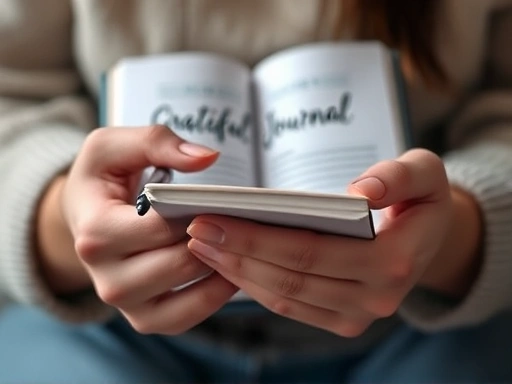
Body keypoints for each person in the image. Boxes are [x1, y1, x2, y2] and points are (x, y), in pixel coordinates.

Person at [1, 0, 512, 382]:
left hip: (422, 321)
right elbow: (11, 95)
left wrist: (455, 236)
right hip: (104, 323)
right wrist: (61, 221)